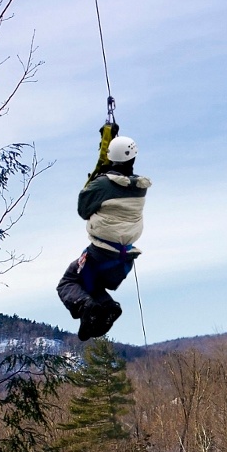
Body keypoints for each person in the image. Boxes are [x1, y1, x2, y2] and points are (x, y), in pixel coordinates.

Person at [57, 135, 151, 341]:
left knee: (69, 281)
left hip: (101, 254)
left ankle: (86, 308)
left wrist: (98, 176)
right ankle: (107, 306)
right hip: (124, 259)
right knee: (91, 284)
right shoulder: (140, 187)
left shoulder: (102, 184)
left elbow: (83, 209)